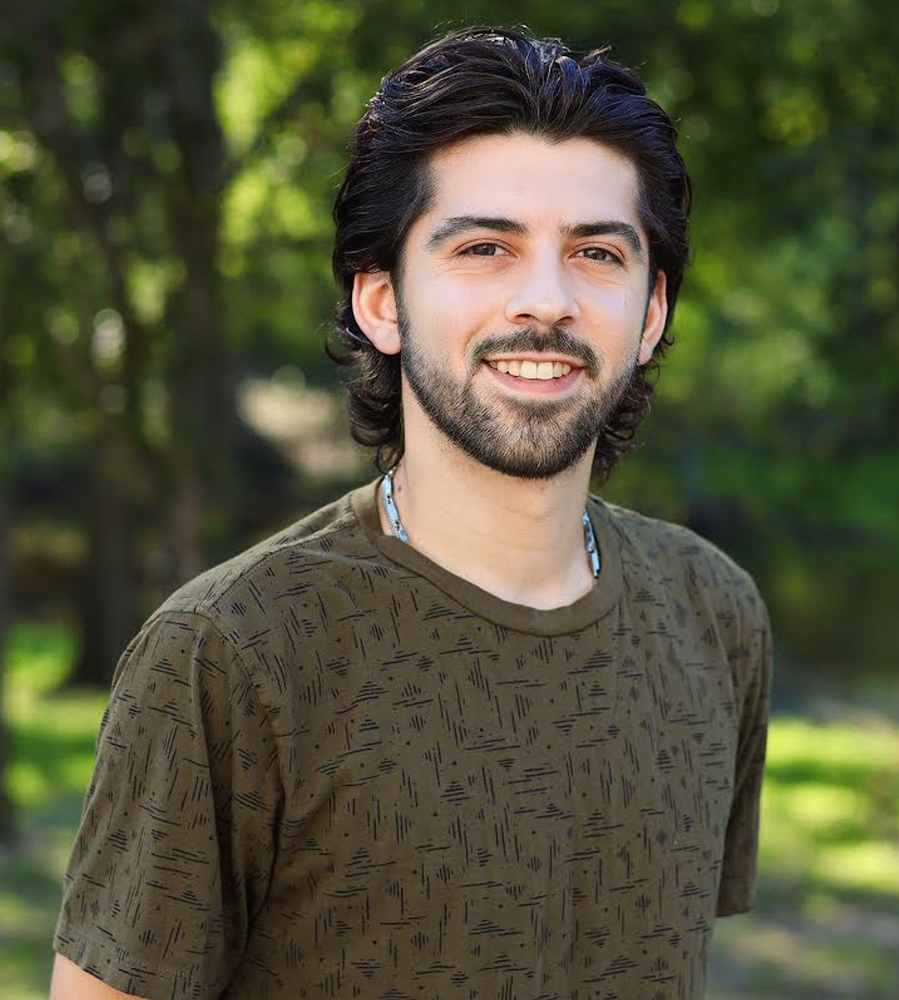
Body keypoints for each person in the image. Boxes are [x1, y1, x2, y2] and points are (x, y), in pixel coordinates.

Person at [50, 25, 772, 1000]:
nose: (547, 301)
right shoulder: (228, 654)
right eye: (484, 248)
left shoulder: (714, 615)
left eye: (598, 252)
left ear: (650, 314)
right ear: (382, 302)